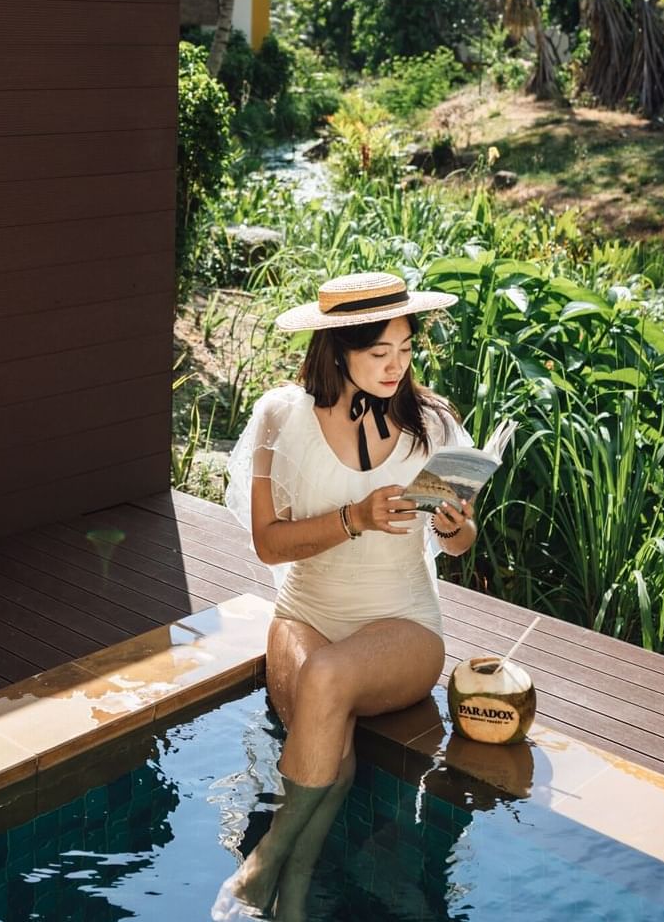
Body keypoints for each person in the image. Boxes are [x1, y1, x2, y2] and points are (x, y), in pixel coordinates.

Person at [213, 271, 476, 921]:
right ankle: (296, 893)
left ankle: (267, 863)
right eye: (378, 353)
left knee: (327, 679)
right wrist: (351, 518)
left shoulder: (434, 422)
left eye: (406, 350)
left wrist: (453, 526)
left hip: (402, 624)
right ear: (337, 351)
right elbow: (269, 545)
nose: (396, 367)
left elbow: (459, 544)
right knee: (325, 702)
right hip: (304, 613)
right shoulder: (280, 417)